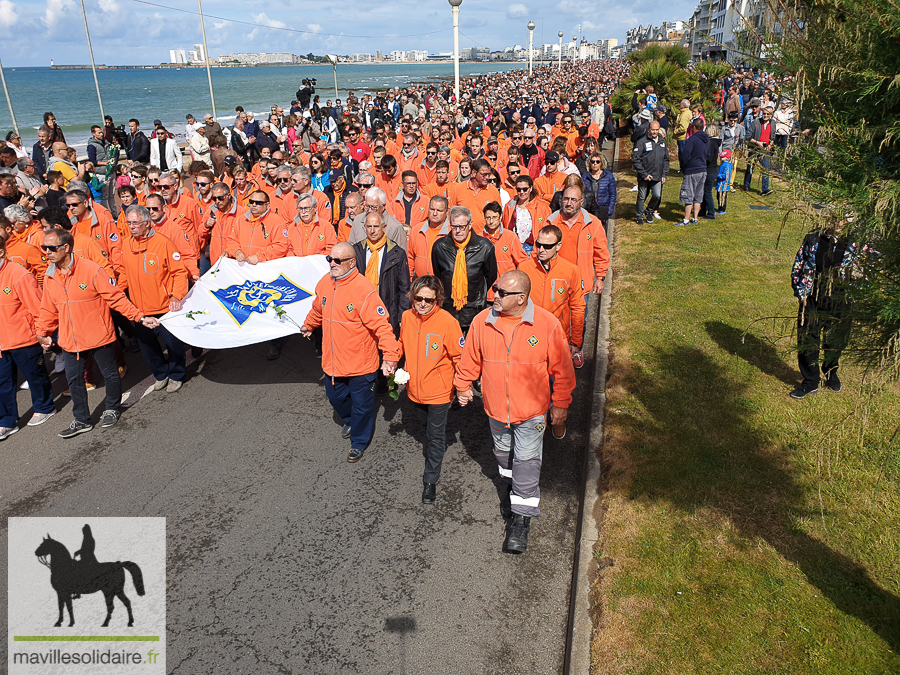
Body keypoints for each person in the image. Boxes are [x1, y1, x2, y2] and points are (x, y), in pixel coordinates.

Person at [454, 270, 576, 554]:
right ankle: (514, 490)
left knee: (527, 463)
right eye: (495, 289)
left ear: (521, 298)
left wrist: (560, 404)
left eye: (501, 292)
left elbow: (564, 370)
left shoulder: (546, 324)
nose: (493, 295)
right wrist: (462, 386)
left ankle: (521, 520)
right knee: (503, 458)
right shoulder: (481, 322)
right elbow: (470, 359)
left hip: (532, 413)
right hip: (496, 411)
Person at [36, 229, 160, 438]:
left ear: (66, 248)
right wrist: (42, 332)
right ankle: (82, 420)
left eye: (51, 248)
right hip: (70, 340)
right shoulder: (49, 276)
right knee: (74, 380)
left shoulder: (92, 270)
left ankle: (112, 408)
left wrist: (138, 317)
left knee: (110, 373)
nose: (46, 252)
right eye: (44, 248)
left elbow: (116, 298)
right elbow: (47, 308)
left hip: (98, 335)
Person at [300, 242, 400, 463]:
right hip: (333, 362)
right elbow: (318, 309)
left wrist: (391, 356)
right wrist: (309, 325)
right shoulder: (325, 283)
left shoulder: (364, 290)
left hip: (360, 365)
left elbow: (382, 327)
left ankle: (359, 442)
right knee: (335, 397)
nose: (332, 264)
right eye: (330, 259)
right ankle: (350, 419)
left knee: (363, 407)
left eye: (337, 261)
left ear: (352, 262)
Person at [397, 275, 464, 504]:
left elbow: (459, 357)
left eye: (429, 300)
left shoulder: (448, 322)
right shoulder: (406, 317)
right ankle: (438, 441)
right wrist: (390, 360)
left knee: (434, 436)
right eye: (419, 298)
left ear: (438, 300)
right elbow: (401, 345)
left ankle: (430, 480)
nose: (423, 304)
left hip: (439, 392)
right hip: (414, 390)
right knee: (425, 426)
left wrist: (462, 387)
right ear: (412, 297)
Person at [120, 205, 190, 393]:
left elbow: (179, 272)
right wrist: (118, 293)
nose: (131, 227)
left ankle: (176, 374)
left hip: (164, 307)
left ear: (147, 223)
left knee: (172, 345)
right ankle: (161, 374)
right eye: (129, 223)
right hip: (140, 311)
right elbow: (124, 273)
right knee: (148, 349)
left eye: (135, 223)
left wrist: (176, 296)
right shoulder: (126, 244)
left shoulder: (163, 243)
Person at [789, 218, 856, 399]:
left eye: (843, 218)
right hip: (813, 297)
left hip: (841, 299)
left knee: (836, 339)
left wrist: (857, 294)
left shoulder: (856, 243)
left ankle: (831, 371)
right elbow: (799, 264)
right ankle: (810, 382)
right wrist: (801, 291)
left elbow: (866, 271)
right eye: (834, 216)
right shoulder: (813, 238)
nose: (838, 222)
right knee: (807, 338)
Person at [0, 236, 56, 439]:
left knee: (35, 376)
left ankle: (45, 406)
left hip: (24, 339)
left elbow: (38, 308)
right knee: (2, 382)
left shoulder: (19, 275)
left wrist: (43, 333)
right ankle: (6, 421)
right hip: (1, 343)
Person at [521, 225, 586, 369]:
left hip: (558, 336)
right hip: (529, 334)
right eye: (538, 244)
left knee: (557, 381)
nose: (541, 249)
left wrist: (575, 342)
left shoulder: (571, 271)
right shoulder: (524, 268)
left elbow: (578, 307)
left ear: (558, 246)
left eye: (547, 246)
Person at [430, 205, 498, 333]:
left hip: (474, 309)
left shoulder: (485, 247)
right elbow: (438, 275)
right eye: (454, 226)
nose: (458, 231)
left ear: (470, 224)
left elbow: (490, 276)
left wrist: (478, 295)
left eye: (462, 226)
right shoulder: (440, 247)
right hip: (448, 309)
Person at [353, 211, 410, 341]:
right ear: (364, 228)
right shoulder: (356, 251)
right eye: (369, 226)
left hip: (388, 311)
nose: (372, 231)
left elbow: (405, 288)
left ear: (384, 228)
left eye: (376, 226)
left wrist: (402, 316)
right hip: (362, 310)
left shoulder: (397, 253)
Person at [448, 159, 501, 234]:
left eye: (488, 174)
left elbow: (498, 216)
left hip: (485, 237)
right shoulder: (458, 189)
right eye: (484, 174)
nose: (487, 177)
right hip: (462, 235)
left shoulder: (493, 191)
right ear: (474, 173)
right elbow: (450, 212)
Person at [632, 121, 669, 225]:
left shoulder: (662, 141)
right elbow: (636, 159)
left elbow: (666, 159)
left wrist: (664, 174)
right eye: (653, 130)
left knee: (657, 195)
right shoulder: (642, 141)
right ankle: (639, 216)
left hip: (657, 175)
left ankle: (649, 210)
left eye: (657, 130)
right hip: (645, 175)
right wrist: (644, 174)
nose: (655, 132)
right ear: (649, 129)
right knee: (642, 196)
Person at [675, 119, 709, 226]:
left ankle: (686, 219)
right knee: (698, 195)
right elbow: (708, 155)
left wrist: (684, 167)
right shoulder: (707, 139)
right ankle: (695, 218)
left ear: (694, 127)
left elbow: (685, 155)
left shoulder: (692, 139)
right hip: (703, 170)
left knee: (688, 194)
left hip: (692, 170)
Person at [407, 196, 449, 280]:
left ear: (446, 212)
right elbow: (410, 258)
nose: (434, 213)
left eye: (439, 210)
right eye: (432, 209)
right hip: (420, 283)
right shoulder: (417, 230)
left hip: (443, 285)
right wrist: (409, 281)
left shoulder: (451, 232)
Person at [743, 105, 775, 196]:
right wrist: (757, 142)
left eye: (767, 114)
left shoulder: (773, 123)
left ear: (771, 115)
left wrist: (770, 145)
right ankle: (746, 186)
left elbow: (772, 137)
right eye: (763, 113)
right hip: (755, 149)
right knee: (750, 168)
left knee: (765, 169)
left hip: (765, 150)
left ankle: (765, 189)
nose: (765, 115)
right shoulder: (756, 122)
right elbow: (748, 136)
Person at [580, 153, 616, 231]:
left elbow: (612, 195)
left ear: (601, 163)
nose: (595, 164)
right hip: (589, 209)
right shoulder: (585, 177)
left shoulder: (609, 176)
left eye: (597, 161)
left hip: (602, 208)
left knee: (601, 232)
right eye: (593, 162)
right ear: (589, 163)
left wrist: (609, 210)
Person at [698, 125, 722, 220]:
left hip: (710, 170)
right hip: (712, 169)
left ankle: (711, 213)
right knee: (704, 192)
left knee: (707, 192)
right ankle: (703, 210)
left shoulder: (711, 143)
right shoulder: (714, 142)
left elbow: (709, 157)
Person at [673, 99, 692, 172]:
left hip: (682, 137)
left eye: (680, 103)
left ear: (683, 105)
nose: (679, 105)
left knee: (682, 154)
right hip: (684, 137)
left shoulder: (684, 114)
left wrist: (675, 132)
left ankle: (683, 169)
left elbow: (683, 128)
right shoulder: (688, 112)